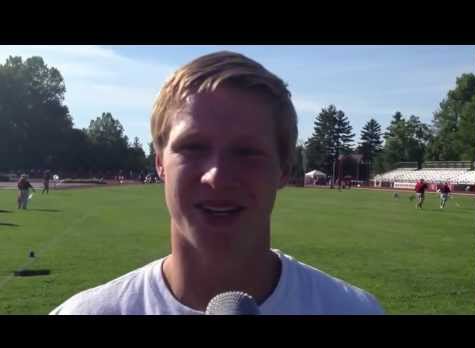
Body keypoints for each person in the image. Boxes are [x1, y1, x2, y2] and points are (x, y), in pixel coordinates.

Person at [50, 51, 384, 315]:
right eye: (193, 147)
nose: (218, 176)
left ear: (284, 169)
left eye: (247, 152)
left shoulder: (352, 309)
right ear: (160, 163)